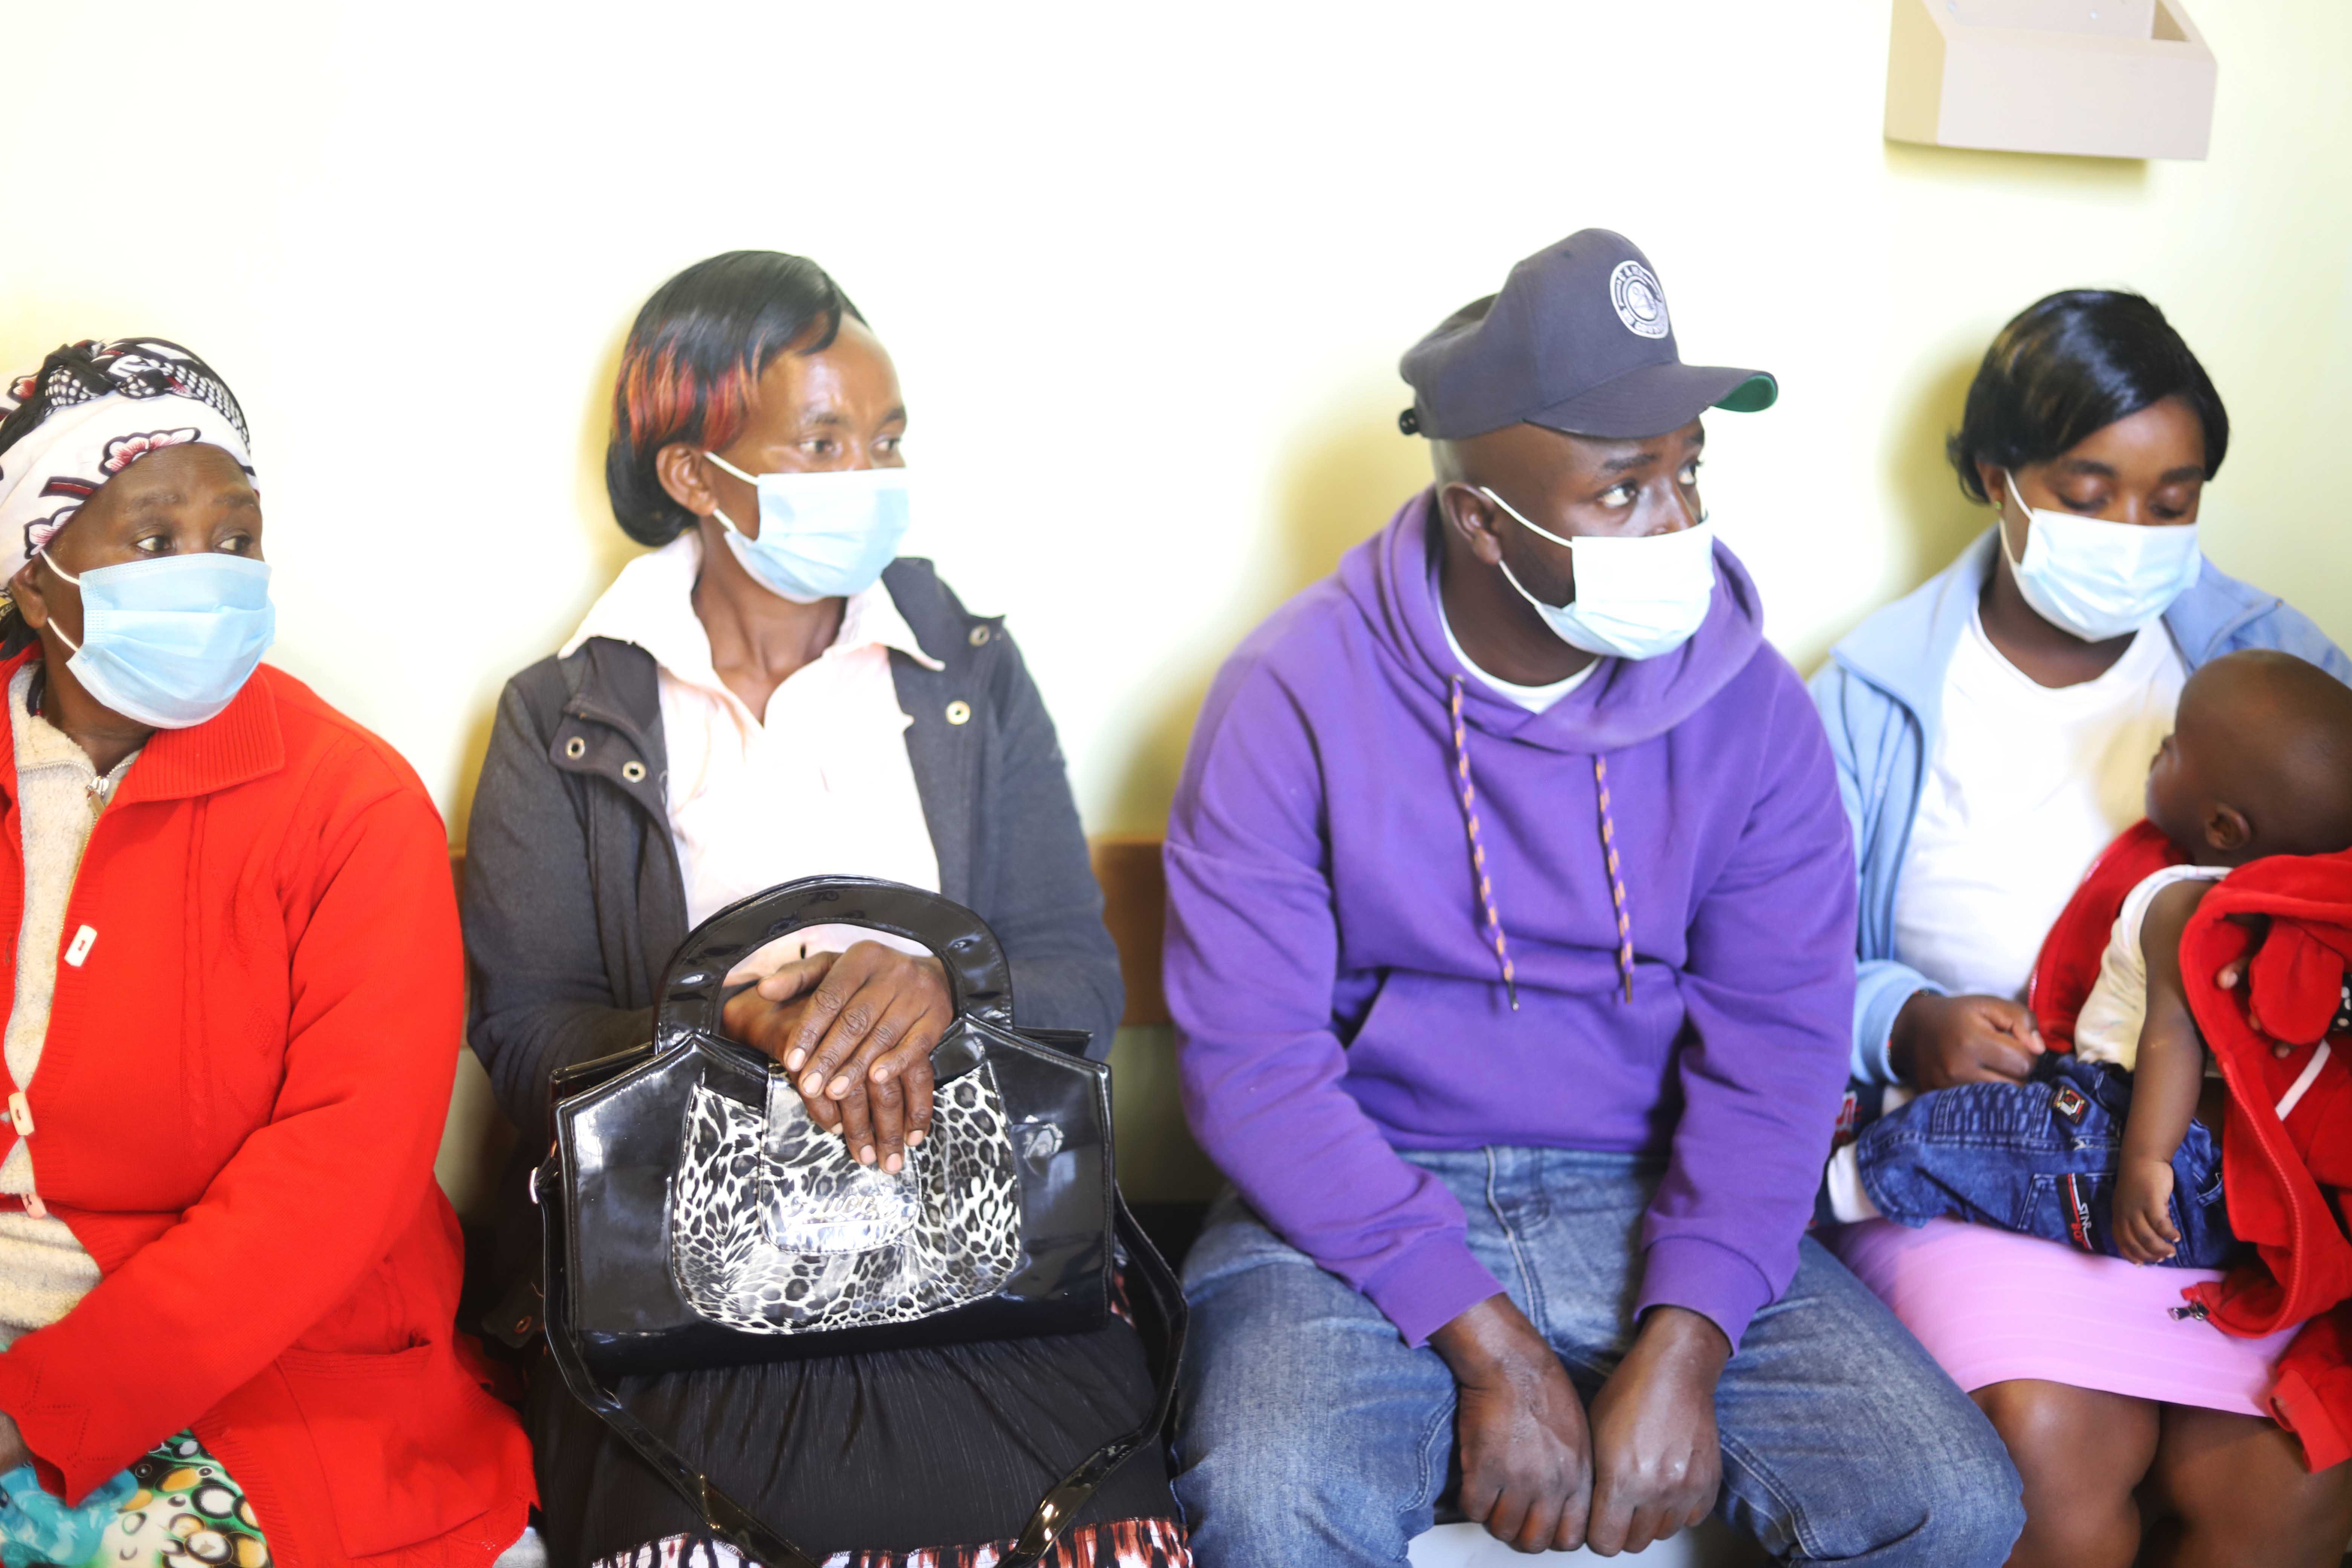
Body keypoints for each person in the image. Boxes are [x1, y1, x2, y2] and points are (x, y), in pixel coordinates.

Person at [1164, 230, 2024, 1567]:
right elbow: (1252, 1069)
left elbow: (1780, 1050)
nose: (1676, 527)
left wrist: (1686, 1339)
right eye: (1622, 490)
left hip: (1656, 1184)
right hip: (1358, 1199)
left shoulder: (1753, 709)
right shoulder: (1291, 693)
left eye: (1687, 475)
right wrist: (1487, 1341)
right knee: (1272, 1501)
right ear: (1479, 520)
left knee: (1948, 1504)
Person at [460, 252, 1187, 1568]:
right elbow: (528, 1034)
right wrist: (719, 1034)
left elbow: (1076, 969)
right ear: (694, 473)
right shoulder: (566, 714)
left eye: (888, 437)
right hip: (681, 1296)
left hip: (988, 1271)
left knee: (1110, 1537)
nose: (871, 474)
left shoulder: (968, 673)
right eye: (823, 442)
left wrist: (949, 989)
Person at [1813, 289, 2352, 1568]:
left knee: (2283, 1489)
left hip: (2241, 1176)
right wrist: (1907, 1020)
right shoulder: (1878, 693)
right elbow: (1766, 959)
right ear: (1999, 478)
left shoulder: (2271, 665)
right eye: (2092, 489)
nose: (2135, 532)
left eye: (2174, 502)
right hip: (1978, 1174)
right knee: (2052, 1451)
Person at [0, 339, 534, 1566]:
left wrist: (38, 1410)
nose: (211, 573)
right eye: (152, 537)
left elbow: (334, 1186)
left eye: (235, 537)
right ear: (36, 584)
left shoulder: (352, 807)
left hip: (271, 1368)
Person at [1823, 650, 2352, 1267]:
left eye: (2174, 748)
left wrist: (2148, 1163)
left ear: (2223, 828)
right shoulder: (2296, 924)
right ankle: (1879, 1105)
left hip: (2154, 1144)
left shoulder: (2185, 905)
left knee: (1956, 1138)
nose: (2158, 749)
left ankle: (1831, 1190)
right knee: (2024, 1077)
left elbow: (2171, 1037)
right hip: (2195, 1149)